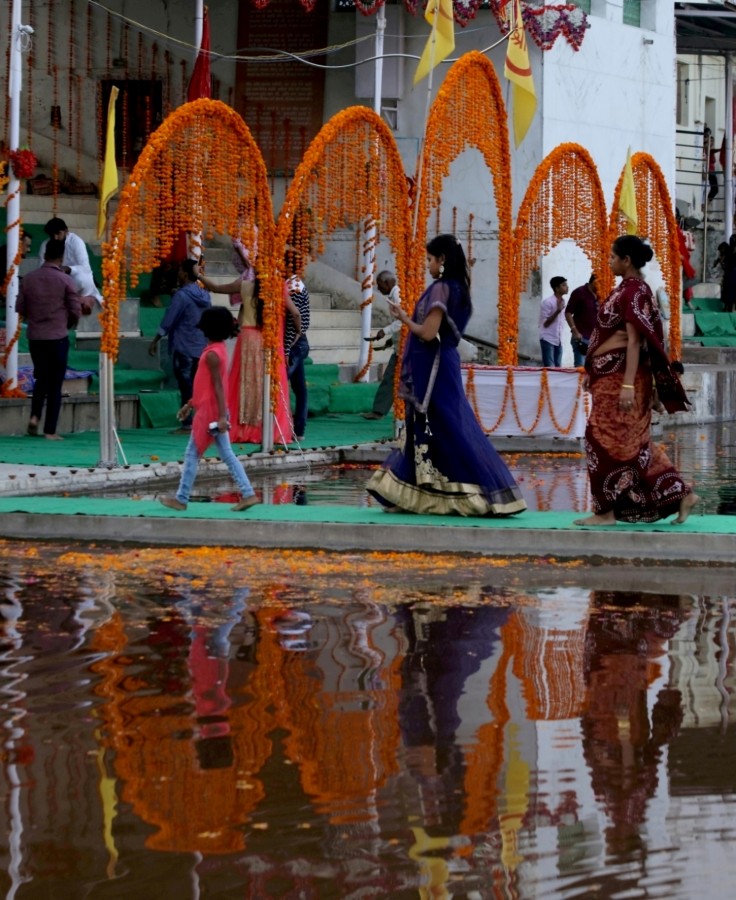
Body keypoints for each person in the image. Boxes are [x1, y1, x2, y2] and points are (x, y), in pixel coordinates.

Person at [366, 234, 527, 516]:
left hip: (434, 370)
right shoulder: (458, 287)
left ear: (441, 260)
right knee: (444, 427)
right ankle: (416, 495)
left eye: (430, 259)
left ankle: (465, 493)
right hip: (443, 365)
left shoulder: (441, 289)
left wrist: (404, 318)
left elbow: (428, 333)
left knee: (442, 428)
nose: (427, 265)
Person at [574, 234, 698, 527]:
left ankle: (605, 512)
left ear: (626, 260)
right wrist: (594, 371)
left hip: (622, 380)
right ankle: (680, 494)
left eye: (613, 257)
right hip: (610, 377)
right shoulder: (627, 290)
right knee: (634, 443)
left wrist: (628, 385)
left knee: (599, 440)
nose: (609, 262)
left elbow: (634, 342)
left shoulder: (634, 292)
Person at [159, 307, 260, 513]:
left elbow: (218, 387)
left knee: (192, 454)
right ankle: (248, 493)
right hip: (211, 410)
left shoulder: (213, 354)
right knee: (225, 455)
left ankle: (181, 498)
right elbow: (205, 385)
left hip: (211, 413)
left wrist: (222, 416)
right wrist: (190, 404)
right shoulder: (216, 350)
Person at [198, 269, 293, 445]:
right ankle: (263, 429)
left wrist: (198, 273)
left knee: (245, 383)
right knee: (264, 385)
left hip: (248, 338)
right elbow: (295, 313)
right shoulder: (278, 288)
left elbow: (215, 287)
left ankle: (243, 429)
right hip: (268, 339)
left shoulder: (244, 286)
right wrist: (297, 334)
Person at [15, 238, 81, 440]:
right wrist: (67, 322)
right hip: (57, 337)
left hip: (36, 337)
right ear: (61, 258)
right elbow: (75, 310)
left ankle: (35, 416)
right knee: (55, 383)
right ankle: (50, 429)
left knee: (41, 378)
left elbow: (20, 308)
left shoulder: (29, 279)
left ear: (44, 255)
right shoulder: (65, 280)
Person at [148, 259, 211, 432]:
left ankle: (188, 422)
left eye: (180, 271)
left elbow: (169, 319)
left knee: (186, 385)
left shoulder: (182, 296)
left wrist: (155, 340)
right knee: (198, 385)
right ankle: (199, 420)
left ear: (184, 273)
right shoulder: (205, 295)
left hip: (183, 346)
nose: (178, 274)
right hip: (200, 346)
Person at [362, 270, 402, 420]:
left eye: (379, 285)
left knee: (391, 378)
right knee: (390, 378)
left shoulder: (397, 294)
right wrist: (391, 340)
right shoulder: (393, 295)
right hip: (400, 346)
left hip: (406, 347)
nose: (378, 289)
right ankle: (379, 411)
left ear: (387, 282)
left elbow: (403, 320)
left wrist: (384, 332)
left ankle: (379, 411)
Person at [38, 217, 103, 308]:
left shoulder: (76, 242)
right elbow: (42, 268)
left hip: (74, 280)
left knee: (83, 279)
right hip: (54, 280)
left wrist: (69, 269)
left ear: (66, 231)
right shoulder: (45, 245)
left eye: (58, 233)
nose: (55, 237)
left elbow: (85, 268)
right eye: (52, 235)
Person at [284, 271, 310, 442]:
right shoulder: (295, 283)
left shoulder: (293, 287)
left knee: (281, 384)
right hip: (297, 342)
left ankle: (286, 428)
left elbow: (294, 318)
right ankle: (299, 430)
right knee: (300, 388)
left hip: (293, 344)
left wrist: (286, 349)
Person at [565, 273, 598, 367]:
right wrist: (574, 331)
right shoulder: (579, 292)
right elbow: (568, 313)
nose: (603, 286)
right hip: (581, 338)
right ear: (595, 282)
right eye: (601, 283)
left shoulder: (601, 294)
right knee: (581, 371)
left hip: (596, 340)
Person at [538, 276, 568, 367]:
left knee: (558, 367)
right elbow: (545, 324)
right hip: (548, 339)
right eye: (564, 285)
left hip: (558, 339)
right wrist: (557, 311)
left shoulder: (563, 302)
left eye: (566, 285)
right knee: (550, 368)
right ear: (557, 288)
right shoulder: (548, 302)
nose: (567, 287)